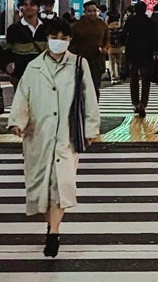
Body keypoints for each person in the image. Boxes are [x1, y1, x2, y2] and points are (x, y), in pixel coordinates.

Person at [7, 18, 100, 259]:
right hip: (38, 134)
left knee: (61, 184)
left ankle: (54, 233)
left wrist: (91, 128)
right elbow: (22, 97)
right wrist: (17, 122)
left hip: (67, 136)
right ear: (47, 39)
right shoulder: (34, 67)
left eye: (64, 38)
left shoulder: (79, 64)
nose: (59, 42)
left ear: (70, 40)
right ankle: (51, 225)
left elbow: (89, 97)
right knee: (41, 187)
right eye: (54, 37)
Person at [123, 2, 158, 118]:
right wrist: (156, 50)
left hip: (132, 53)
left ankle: (135, 103)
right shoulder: (150, 22)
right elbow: (155, 37)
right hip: (146, 53)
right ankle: (144, 103)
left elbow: (123, 35)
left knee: (133, 79)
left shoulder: (130, 21)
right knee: (146, 79)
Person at [70, 1, 110, 97]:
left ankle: (94, 108)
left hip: (97, 60)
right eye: (89, 11)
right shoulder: (77, 25)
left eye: (94, 11)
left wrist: (104, 49)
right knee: (81, 87)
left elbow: (107, 40)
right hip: (80, 60)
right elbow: (71, 42)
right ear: (84, 12)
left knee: (95, 87)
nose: (92, 13)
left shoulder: (102, 25)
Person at [5, 0, 48, 82]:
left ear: (38, 8)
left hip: (43, 75)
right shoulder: (13, 29)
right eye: (25, 5)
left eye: (32, 5)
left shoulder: (47, 27)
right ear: (21, 8)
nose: (29, 7)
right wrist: (8, 65)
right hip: (20, 75)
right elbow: (7, 50)